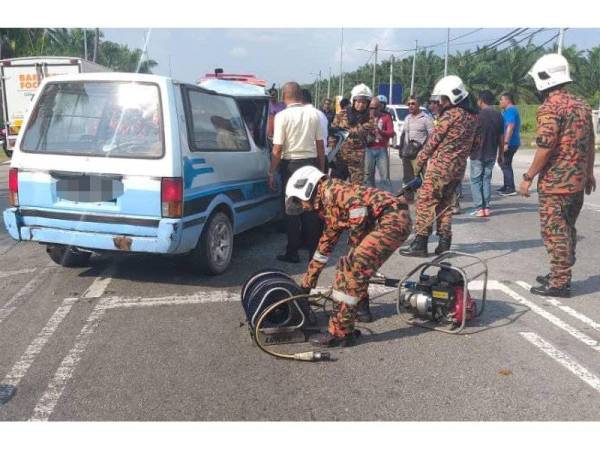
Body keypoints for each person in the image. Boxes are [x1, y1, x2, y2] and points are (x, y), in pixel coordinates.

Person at [285, 166, 412, 347]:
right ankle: (361, 310)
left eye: (299, 202)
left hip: (391, 220)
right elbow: (324, 248)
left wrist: (352, 252)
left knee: (350, 268)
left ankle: (340, 333)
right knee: (355, 267)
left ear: (307, 188)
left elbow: (358, 214)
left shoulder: (333, 191)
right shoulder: (329, 204)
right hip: (391, 220)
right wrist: (306, 285)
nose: (302, 207)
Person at [519, 53, 596, 298]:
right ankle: (558, 272)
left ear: (543, 79)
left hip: (556, 185)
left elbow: (545, 146)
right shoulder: (582, 106)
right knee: (568, 229)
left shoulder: (550, 108)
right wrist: (588, 173)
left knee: (555, 232)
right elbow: (590, 141)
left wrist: (528, 176)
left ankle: (560, 282)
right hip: (577, 183)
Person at [401, 75, 480, 257]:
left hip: (439, 168)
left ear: (452, 97)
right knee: (445, 206)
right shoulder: (473, 117)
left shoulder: (450, 115)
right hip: (457, 170)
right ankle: (444, 243)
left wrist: (419, 162)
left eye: (442, 98)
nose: (440, 102)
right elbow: (476, 144)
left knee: (425, 203)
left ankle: (420, 244)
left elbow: (433, 142)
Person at [269, 82, 326, 263]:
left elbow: (277, 149)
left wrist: (271, 171)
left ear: (284, 96)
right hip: (311, 165)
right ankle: (313, 254)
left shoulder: (282, 116)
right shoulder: (313, 115)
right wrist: (321, 169)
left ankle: (292, 252)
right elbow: (320, 146)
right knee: (311, 210)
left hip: (291, 166)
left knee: (292, 211)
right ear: (300, 96)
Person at [469, 90, 504, 217]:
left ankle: (479, 208)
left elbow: (472, 135)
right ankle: (486, 208)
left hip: (477, 153)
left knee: (476, 180)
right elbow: (501, 136)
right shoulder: (499, 115)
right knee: (486, 180)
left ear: (481, 101)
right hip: (491, 153)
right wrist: (501, 153)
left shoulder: (478, 115)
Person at [331, 83, 375, 184]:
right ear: (353, 101)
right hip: (339, 157)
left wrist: (344, 131)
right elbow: (333, 134)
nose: (361, 104)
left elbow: (364, 131)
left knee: (357, 190)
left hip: (357, 161)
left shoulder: (370, 118)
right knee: (335, 187)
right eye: (358, 101)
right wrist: (331, 152)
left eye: (364, 102)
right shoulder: (342, 114)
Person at [400, 95, 434, 201]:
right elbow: (404, 134)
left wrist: (425, 150)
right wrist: (401, 150)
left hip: (420, 154)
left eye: (413, 103)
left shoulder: (426, 119)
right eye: (409, 104)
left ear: (418, 104)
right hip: (408, 153)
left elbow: (432, 135)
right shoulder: (407, 118)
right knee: (407, 178)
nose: (410, 106)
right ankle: (409, 198)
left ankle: (424, 199)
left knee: (422, 178)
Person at [364, 95, 394, 191]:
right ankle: (370, 198)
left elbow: (390, 132)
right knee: (368, 177)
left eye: (375, 108)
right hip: (369, 148)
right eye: (370, 108)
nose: (372, 110)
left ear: (379, 107)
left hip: (381, 149)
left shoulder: (386, 117)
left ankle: (387, 199)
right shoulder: (366, 117)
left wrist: (379, 131)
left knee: (385, 177)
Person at [498, 92, 521, 196]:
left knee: (505, 163)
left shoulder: (511, 110)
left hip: (510, 142)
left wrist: (506, 142)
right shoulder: (508, 111)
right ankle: (507, 185)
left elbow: (510, 126)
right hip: (510, 142)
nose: (500, 102)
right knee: (504, 163)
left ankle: (511, 188)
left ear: (507, 100)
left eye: (501, 100)